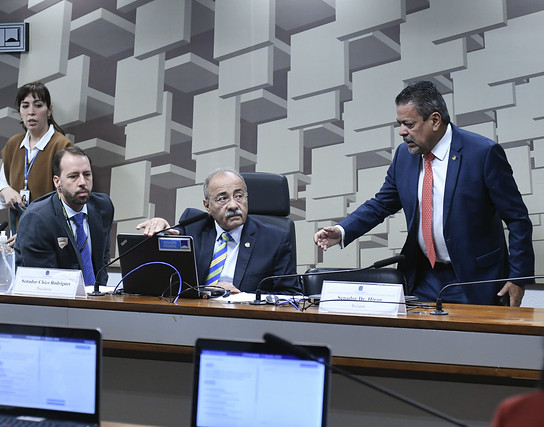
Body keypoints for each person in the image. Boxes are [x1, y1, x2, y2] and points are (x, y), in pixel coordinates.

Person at [313, 81, 534, 306]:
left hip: (476, 279)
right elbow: (382, 203)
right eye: (400, 124)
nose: (402, 132)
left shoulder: (483, 153)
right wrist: (342, 230)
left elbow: (517, 218)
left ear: (435, 120)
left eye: (409, 124)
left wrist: (519, 277)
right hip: (424, 278)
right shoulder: (404, 155)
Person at [137, 169, 299, 295]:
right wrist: (160, 232)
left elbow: (291, 295)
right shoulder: (193, 227)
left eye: (239, 196)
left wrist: (242, 297)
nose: (233, 205)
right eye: (223, 198)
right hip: (192, 315)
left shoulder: (275, 239)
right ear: (207, 206)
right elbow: (164, 272)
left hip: (245, 319)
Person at [15, 147, 114, 286]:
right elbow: (45, 282)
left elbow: (102, 260)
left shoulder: (103, 207)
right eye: (73, 176)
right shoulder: (37, 218)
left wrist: (99, 292)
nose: (83, 182)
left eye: (87, 174)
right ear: (57, 182)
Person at [0, 81, 73, 235]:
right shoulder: (13, 144)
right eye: (25, 106)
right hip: (18, 234)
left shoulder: (62, 145)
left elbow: (68, 198)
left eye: (38, 105)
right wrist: (6, 191)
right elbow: (1, 184)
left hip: (50, 236)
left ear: (49, 110)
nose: (31, 112)